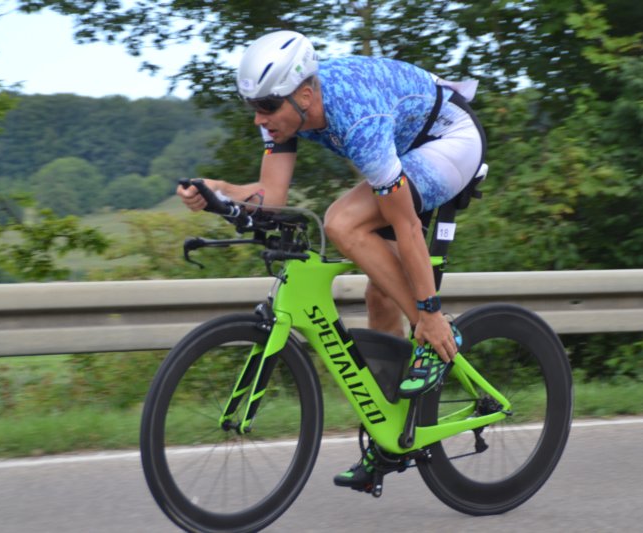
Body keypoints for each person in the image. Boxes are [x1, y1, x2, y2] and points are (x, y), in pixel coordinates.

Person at [177, 30, 486, 492]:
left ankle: (436, 333)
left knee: (342, 222)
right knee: (379, 295)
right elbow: (270, 197)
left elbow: (404, 223)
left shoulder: (356, 117)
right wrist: (218, 191)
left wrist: (429, 310)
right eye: (254, 107)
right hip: (403, 148)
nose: (260, 118)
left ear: (304, 95)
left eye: (267, 106)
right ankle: (393, 433)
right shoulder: (284, 112)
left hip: (451, 140)